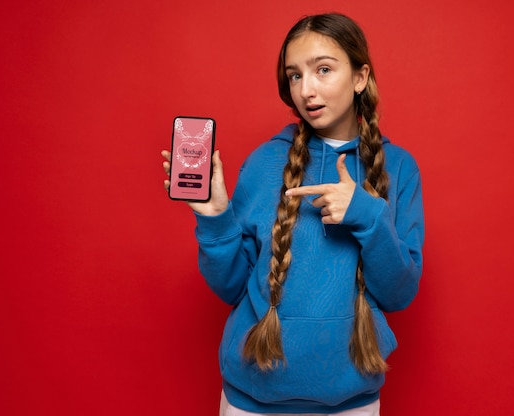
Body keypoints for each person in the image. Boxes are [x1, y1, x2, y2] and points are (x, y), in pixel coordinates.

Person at [162, 13, 424, 416]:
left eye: (323, 70)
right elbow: (232, 288)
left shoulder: (399, 168)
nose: (307, 89)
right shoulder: (265, 162)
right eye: (295, 76)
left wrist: (366, 215)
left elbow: (399, 293)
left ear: (359, 77)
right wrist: (215, 216)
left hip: (351, 402)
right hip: (252, 400)